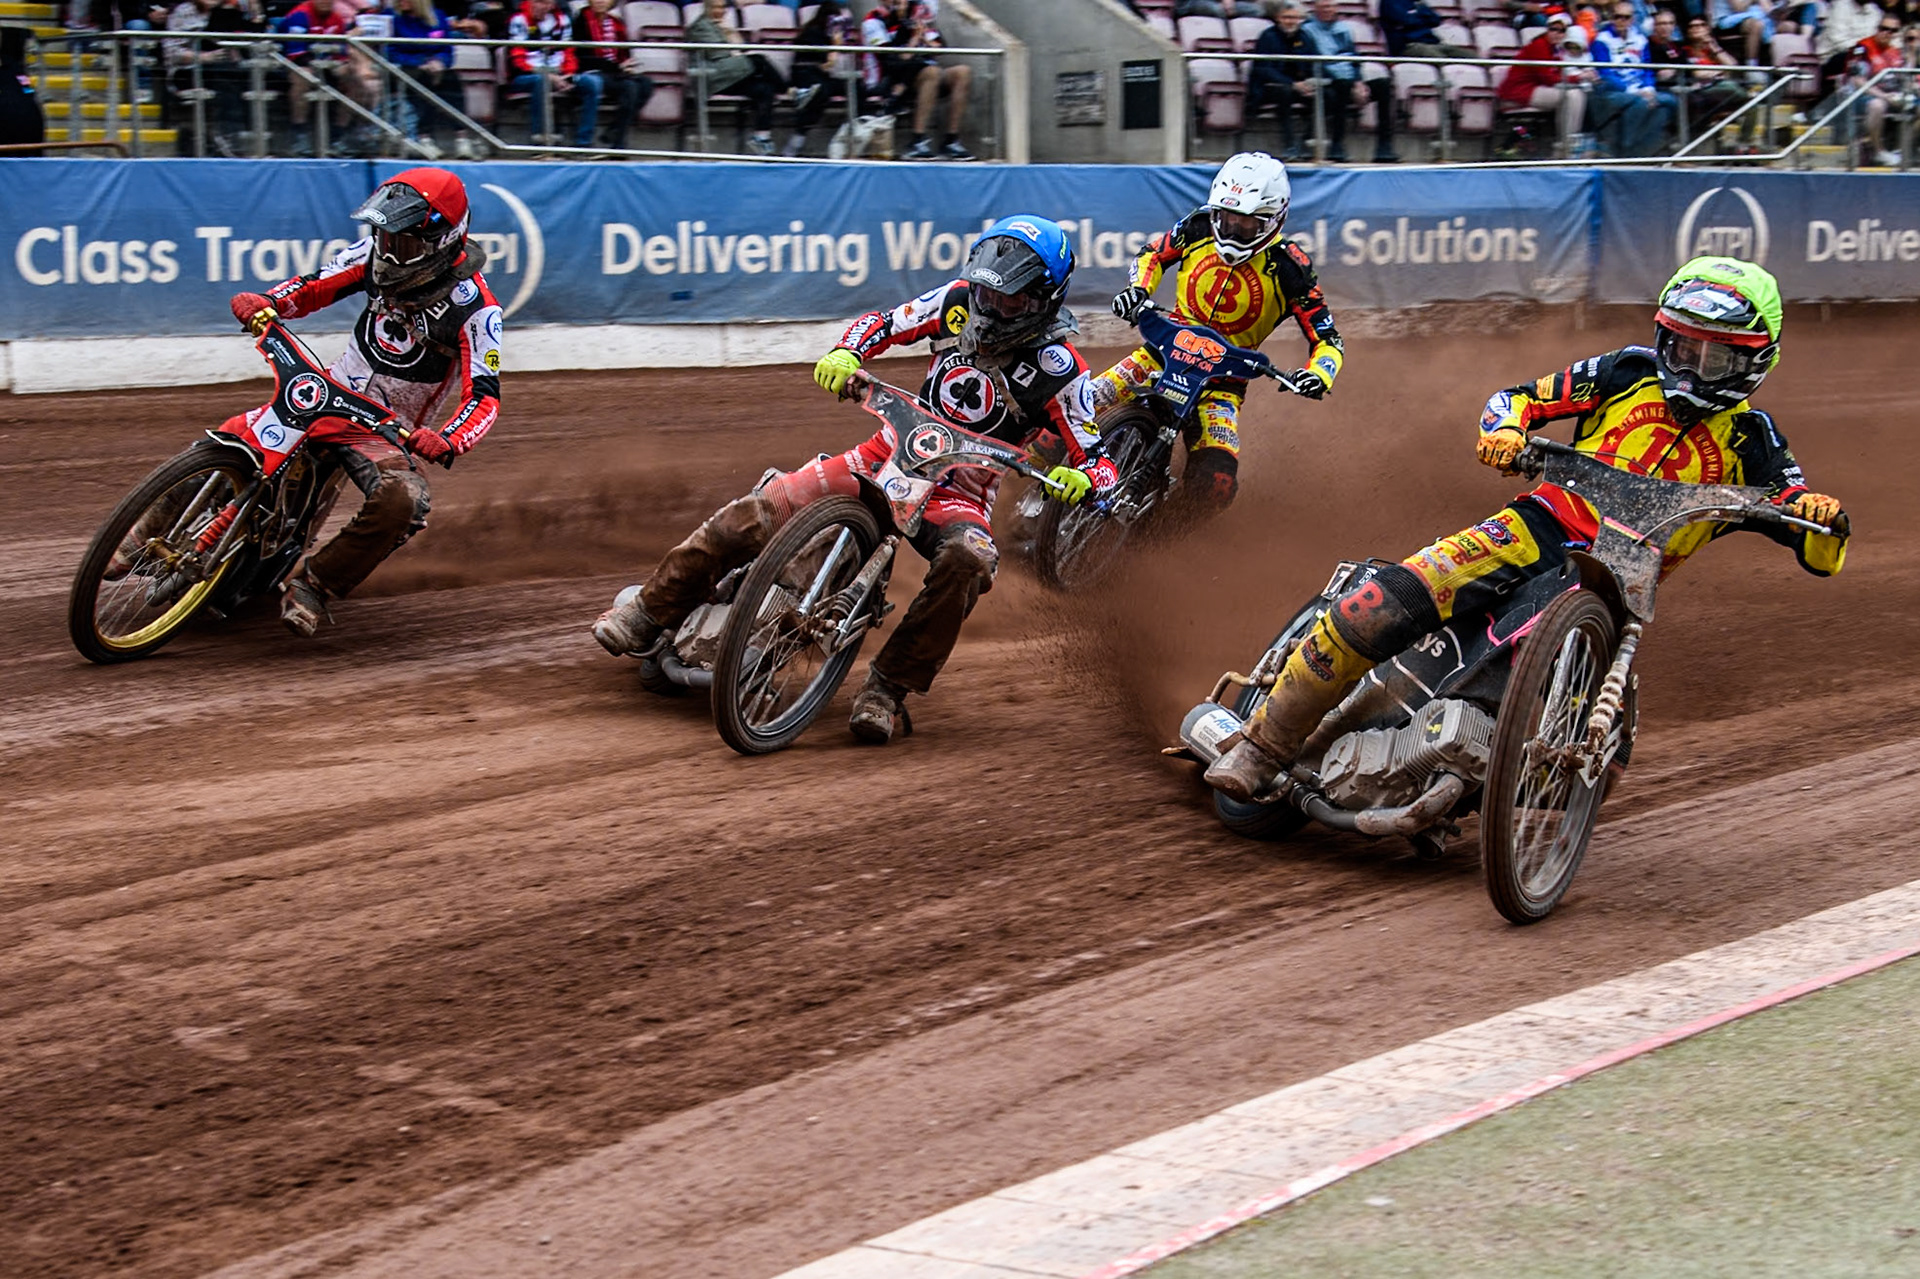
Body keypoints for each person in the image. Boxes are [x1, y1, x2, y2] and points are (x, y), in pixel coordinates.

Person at [1205, 257, 1850, 800]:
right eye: (1683, 346)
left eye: (1714, 358)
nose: (1691, 365)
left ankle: (1470, 777)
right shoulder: (1626, 372)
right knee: (1381, 604)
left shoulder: (1754, 442)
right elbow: (1516, 398)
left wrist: (1820, 515)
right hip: (1535, 526)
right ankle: (1263, 747)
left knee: (1604, 765)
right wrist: (1504, 430)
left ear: (1754, 361)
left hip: (1618, 586)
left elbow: (1819, 550)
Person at [592, 216, 1113, 743]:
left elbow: (1100, 459)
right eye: (985, 292)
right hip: (886, 452)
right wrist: (848, 351)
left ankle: (887, 688)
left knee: (970, 561)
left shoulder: (1062, 370)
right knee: (761, 508)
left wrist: (1082, 480)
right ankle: (648, 611)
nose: (991, 308)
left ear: (1045, 300)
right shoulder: (957, 303)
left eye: (1009, 301)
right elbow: (883, 323)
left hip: (959, 494)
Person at [221, 170, 502, 638]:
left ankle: (315, 584)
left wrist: (448, 440)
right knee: (234, 435)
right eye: (384, 237)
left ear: (441, 238)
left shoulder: (477, 308)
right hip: (326, 394)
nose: (390, 252)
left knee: (404, 502)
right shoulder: (373, 255)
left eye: (405, 244)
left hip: (386, 430)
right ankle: (144, 531)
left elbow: (485, 397)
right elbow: (314, 286)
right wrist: (267, 301)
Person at [1098, 152, 1343, 520]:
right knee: (1077, 406)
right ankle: (1023, 491)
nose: (1231, 230)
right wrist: (1139, 290)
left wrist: (1319, 374)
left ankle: (1157, 535)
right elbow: (1153, 255)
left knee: (1216, 486)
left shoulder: (1291, 268)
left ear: (1274, 220)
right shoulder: (1198, 226)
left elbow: (1328, 340)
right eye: (1226, 218)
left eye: (1245, 224)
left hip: (1221, 385)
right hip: (1160, 353)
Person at [865, 0, 973, 159]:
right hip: (895, 79)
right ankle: (917, 140)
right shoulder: (874, 21)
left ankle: (951, 141)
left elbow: (939, 48)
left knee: (963, 72)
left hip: (923, 72)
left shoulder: (917, 15)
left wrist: (925, 39)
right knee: (932, 72)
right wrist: (913, 39)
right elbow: (891, 58)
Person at [1303, 0, 1398, 162]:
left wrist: (1359, 82)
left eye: (1331, 6)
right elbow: (1315, 62)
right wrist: (1347, 82)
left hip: (1349, 80)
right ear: (1316, 9)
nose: (1328, 10)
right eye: (1324, 7)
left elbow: (1353, 58)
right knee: (1342, 86)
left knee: (1383, 85)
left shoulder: (1344, 29)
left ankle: (1384, 147)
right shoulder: (1307, 31)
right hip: (1326, 79)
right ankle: (1337, 146)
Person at [688, 0, 788, 155]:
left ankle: (761, 137)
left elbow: (741, 48)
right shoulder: (700, 26)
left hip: (729, 75)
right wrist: (734, 48)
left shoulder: (720, 26)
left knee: (765, 89)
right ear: (707, 7)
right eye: (716, 7)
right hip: (713, 78)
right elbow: (720, 54)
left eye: (722, 7)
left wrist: (730, 32)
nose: (720, 11)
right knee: (758, 60)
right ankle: (791, 91)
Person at [283, 0, 376, 156]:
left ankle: (338, 134)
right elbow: (296, 54)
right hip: (295, 63)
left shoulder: (336, 18)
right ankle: (299, 133)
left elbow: (341, 53)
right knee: (303, 75)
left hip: (327, 63)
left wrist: (349, 68)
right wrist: (318, 65)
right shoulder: (300, 15)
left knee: (355, 77)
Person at [1498, 13, 1591, 157]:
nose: (1557, 34)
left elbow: (1558, 75)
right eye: (1553, 29)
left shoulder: (1556, 50)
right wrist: (1579, 77)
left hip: (1536, 88)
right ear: (1547, 29)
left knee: (1576, 95)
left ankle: (1566, 144)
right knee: (1572, 96)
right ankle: (1567, 145)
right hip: (1520, 90)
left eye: (1561, 31)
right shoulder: (1539, 45)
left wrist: (1582, 76)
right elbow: (1548, 78)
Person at [1591, 0, 1675, 154]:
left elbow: (1647, 68)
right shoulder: (1601, 40)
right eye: (1618, 17)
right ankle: (1626, 146)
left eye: (1626, 17)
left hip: (1640, 89)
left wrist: (1649, 88)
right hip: (1613, 90)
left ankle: (1647, 147)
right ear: (1611, 18)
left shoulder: (1640, 39)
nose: (1622, 21)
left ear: (1633, 19)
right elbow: (1605, 72)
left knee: (1669, 101)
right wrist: (1632, 91)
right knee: (1640, 103)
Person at [571, 0, 656, 150]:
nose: (600, 1)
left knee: (646, 83)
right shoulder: (580, 20)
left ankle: (613, 131)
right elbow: (581, 57)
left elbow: (624, 52)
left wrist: (627, 66)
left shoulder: (616, 22)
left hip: (614, 71)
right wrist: (616, 67)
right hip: (592, 72)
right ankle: (618, 144)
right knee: (630, 88)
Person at [1830, 14, 1907, 165]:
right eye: (1884, 28)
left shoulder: (1894, 52)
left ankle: (1905, 149)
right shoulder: (1862, 48)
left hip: (1890, 95)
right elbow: (1857, 80)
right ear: (1877, 29)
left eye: (1892, 30)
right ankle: (1878, 151)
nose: (1887, 33)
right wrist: (1884, 96)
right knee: (1877, 105)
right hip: (1859, 96)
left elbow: (1902, 78)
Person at [783, 0, 858, 155]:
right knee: (821, 93)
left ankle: (857, 130)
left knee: (855, 86)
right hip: (805, 73)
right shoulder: (812, 33)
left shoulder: (830, 35)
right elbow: (827, 64)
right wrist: (835, 46)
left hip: (822, 75)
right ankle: (797, 140)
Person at [1248, 0, 1316, 160]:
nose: (1290, 21)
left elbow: (1312, 64)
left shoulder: (1305, 37)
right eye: (1286, 17)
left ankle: (1306, 142)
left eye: (1294, 18)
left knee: (1327, 95)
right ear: (1278, 18)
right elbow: (1263, 69)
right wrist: (1292, 84)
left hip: (1298, 87)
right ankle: (1290, 146)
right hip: (1269, 87)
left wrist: (1309, 83)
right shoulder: (1267, 36)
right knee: (1284, 92)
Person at [507, 0, 575, 145]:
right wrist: (548, 76)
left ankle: (584, 145)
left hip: (559, 72)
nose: (542, 7)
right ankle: (539, 138)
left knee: (590, 83)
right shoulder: (519, 20)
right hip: (525, 75)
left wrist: (568, 74)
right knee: (541, 81)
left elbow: (569, 52)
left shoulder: (563, 20)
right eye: (538, 2)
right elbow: (517, 60)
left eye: (546, 3)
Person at [1378, 0, 1472, 57]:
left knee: (1469, 56)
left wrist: (1417, 15)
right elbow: (1405, 21)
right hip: (1408, 45)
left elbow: (1435, 20)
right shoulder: (1390, 2)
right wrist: (1421, 17)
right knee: (1440, 60)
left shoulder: (1418, 2)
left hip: (1433, 42)